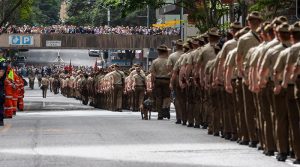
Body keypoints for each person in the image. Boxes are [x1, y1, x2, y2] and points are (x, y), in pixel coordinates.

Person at [150, 44, 171, 120]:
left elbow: (152, 74)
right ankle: (166, 110)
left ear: (158, 52)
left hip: (158, 80)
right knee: (167, 97)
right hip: (167, 80)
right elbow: (171, 72)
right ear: (165, 52)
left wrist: (152, 83)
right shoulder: (169, 61)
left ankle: (160, 114)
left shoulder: (155, 61)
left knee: (158, 97)